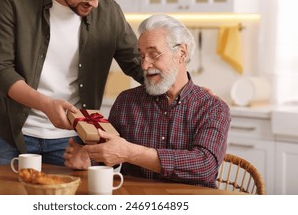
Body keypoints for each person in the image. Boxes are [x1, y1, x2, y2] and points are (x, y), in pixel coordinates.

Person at [0, 0, 143, 167]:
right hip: (14, 135)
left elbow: (138, 63)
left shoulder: (109, 12)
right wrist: (46, 105)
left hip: (73, 143)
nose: (96, 4)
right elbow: (0, 70)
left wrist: (187, 88)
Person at [64, 14, 231, 188]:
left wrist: (131, 153)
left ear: (181, 53)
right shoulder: (126, 101)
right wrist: (89, 158)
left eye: (153, 54)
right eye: (142, 56)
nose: (144, 65)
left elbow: (205, 166)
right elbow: (111, 152)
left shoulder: (213, 107)